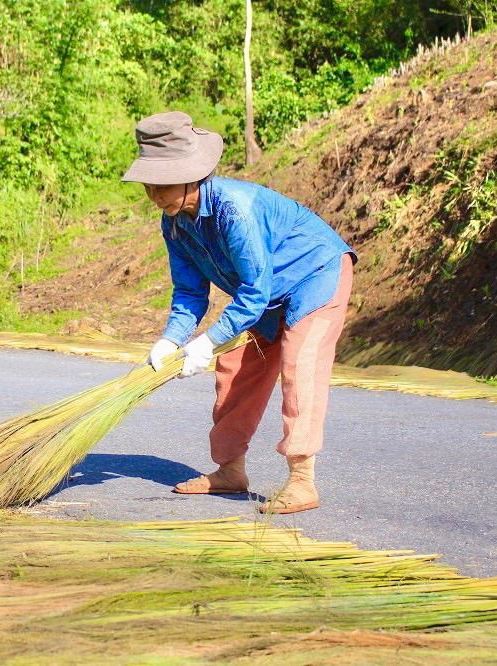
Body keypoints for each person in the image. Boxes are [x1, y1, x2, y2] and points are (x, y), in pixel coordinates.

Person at [123, 111, 356, 515]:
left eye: (162, 185)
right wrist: (172, 338)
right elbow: (190, 292)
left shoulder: (234, 210)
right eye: (148, 185)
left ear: (191, 175)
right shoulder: (175, 223)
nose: (155, 195)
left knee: (299, 365)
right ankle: (230, 470)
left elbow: (253, 291)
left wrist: (208, 340)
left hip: (315, 275)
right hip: (266, 295)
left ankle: (302, 481)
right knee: (234, 367)